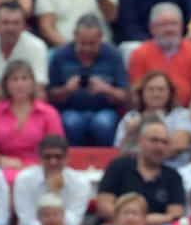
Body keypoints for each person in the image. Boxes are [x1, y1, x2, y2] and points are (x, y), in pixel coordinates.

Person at [48, 17, 130, 148]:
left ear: (100, 38)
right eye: (82, 43)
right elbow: (51, 96)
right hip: (71, 110)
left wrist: (106, 89)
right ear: (75, 36)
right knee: (71, 123)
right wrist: (67, 89)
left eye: (92, 44)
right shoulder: (60, 55)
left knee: (102, 124)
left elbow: (125, 96)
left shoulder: (114, 55)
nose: (86, 48)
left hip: (105, 110)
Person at [95, 120, 186, 225]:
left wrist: (138, 222)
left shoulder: (173, 176)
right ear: (139, 140)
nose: (159, 146)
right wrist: (137, 221)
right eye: (154, 140)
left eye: (164, 142)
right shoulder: (119, 166)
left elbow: (175, 215)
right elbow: (103, 207)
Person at [0, 60, 65, 172]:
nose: (20, 84)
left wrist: (40, 166)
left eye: (25, 79)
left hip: (39, 169)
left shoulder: (48, 113)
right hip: (1, 168)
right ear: (6, 84)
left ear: (33, 83)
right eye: (15, 79)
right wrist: (2, 160)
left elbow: (57, 148)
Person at [128, 2, 191, 116]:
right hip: (150, 114)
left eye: (174, 24)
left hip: (188, 111)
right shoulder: (139, 53)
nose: (170, 29)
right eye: (164, 25)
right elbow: (136, 91)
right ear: (152, 28)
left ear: (181, 26)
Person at [0, 2, 50, 107]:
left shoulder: (37, 46)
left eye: (16, 23)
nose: (10, 28)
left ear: (24, 25)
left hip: (26, 105)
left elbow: (38, 88)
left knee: (41, 97)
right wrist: (16, 90)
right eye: (5, 22)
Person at [12, 135, 89, 225]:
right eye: (48, 157)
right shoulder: (24, 179)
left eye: (58, 156)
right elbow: (27, 221)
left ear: (67, 158)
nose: (53, 162)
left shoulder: (80, 182)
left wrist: (54, 193)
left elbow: (72, 224)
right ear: (39, 158)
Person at [115, 70, 191, 165]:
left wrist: (146, 161)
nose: (156, 94)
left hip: (174, 169)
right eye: (151, 89)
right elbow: (120, 153)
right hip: (135, 172)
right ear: (142, 93)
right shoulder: (130, 117)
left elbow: (178, 145)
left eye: (161, 89)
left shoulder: (181, 114)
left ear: (170, 92)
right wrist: (130, 133)